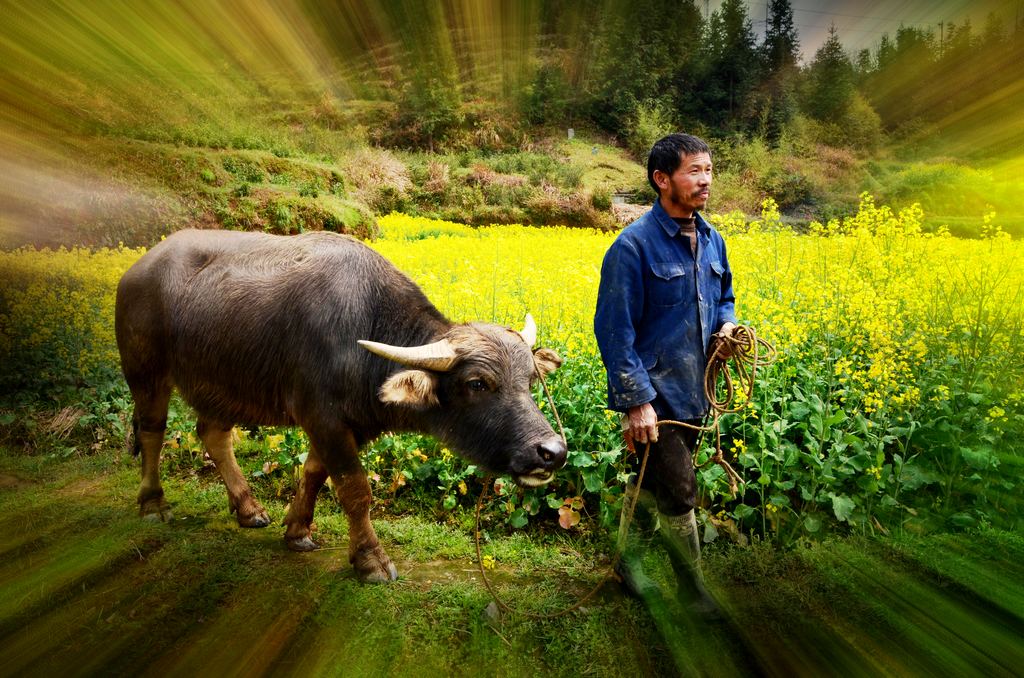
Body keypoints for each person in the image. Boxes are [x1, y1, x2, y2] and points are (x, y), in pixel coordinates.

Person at [594, 133, 737, 617]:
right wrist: (637, 402)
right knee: (679, 491)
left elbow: (724, 298)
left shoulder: (713, 239)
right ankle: (693, 592)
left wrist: (728, 326)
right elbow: (614, 331)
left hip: (696, 390)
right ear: (662, 179)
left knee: (650, 487)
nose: (705, 181)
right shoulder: (632, 247)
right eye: (694, 171)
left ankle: (626, 567)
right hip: (657, 400)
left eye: (709, 170)